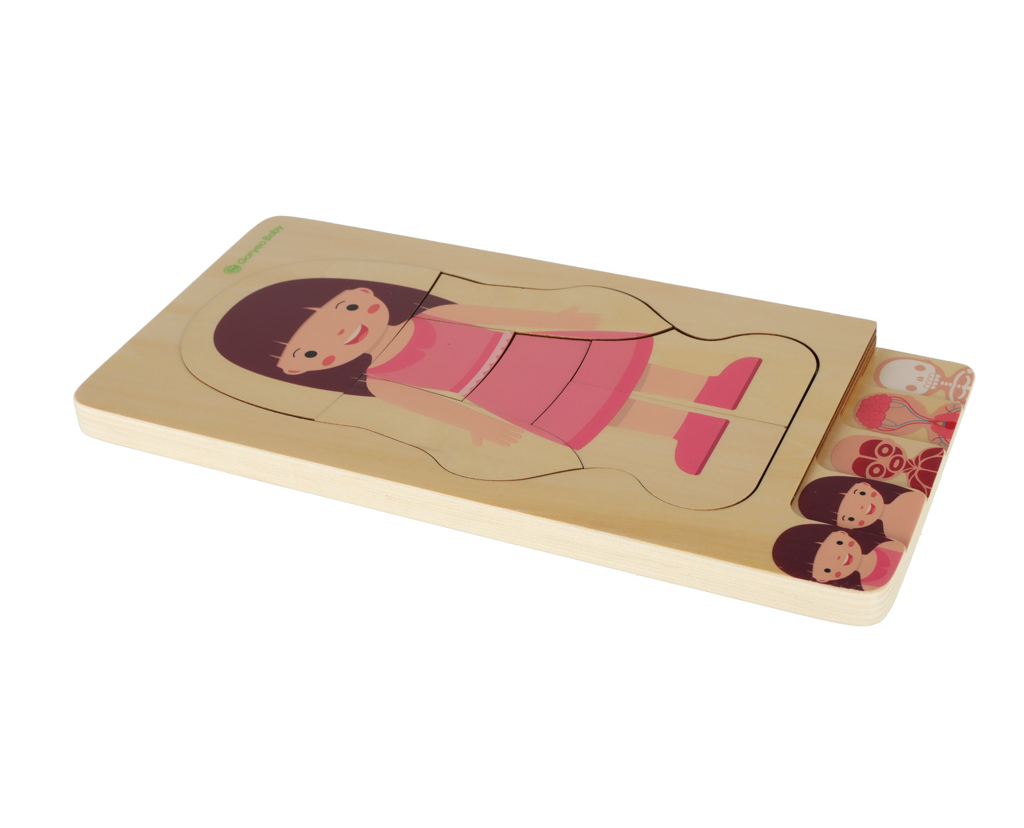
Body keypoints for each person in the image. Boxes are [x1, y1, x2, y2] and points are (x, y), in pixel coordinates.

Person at [213, 277, 763, 477]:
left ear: (361, 293)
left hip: (538, 353)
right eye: (312, 350)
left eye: (344, 310)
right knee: (610, 409)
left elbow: (505, 317)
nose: (344, 332)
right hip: (507, 393)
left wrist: (560, 322)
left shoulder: (437, 314)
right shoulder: (381, 382)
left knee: (632, 372)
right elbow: (436, 409)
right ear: (299, 369)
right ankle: (680, 429)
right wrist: (483, 427)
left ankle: (707, 388)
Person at [795, 476, 925, 545]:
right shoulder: (892, 536)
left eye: (861, 493)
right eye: (850, 518)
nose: (861, 507)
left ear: (865, 484)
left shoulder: (912, 497)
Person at [771, 524, 906, 590]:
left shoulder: (890, 546)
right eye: (827, 569)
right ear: (822, 579)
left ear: (842, 533)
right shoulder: (868, 587)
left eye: (838, 543)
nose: (839, 558)